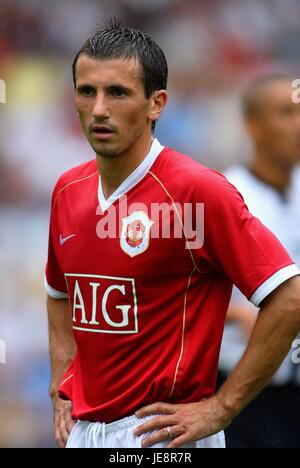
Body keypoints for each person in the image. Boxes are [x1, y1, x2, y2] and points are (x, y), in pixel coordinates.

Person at [45, 21, 300, 449]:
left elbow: (289, 296)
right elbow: (59, 294)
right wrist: (60, 385)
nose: (99, 108)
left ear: (156, 104)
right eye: (87, 91)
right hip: (86, 433)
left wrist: (221, 408)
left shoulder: (197, 192)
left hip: (162, 436)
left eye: (118, 92)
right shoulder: (67, 189)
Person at [220, 74, 300, 448]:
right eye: (285, 113)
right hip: (238, 392)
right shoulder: (224, 196)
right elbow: (171, 290)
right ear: (252, 125)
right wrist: (239, 314)